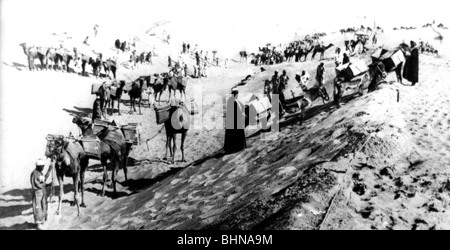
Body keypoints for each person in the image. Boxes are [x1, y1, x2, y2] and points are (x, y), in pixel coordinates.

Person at [224, 88, 247, 153]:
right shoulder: (233, 101)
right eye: (237, 94)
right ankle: (237, 147)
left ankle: (234, 147)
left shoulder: (232, 100)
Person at [30, 159, 49, 230]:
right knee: (38, 207)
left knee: (42, 206)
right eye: (42, 166)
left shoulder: (39, 173)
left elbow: (43, 180)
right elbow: (38, 184)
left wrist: (49, 171)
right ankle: (38, 224)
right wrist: (46, 185)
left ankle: (41, 221)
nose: (43, 168)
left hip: (41, 192)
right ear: (38, 166)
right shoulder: (35, 173)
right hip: (37, 192)